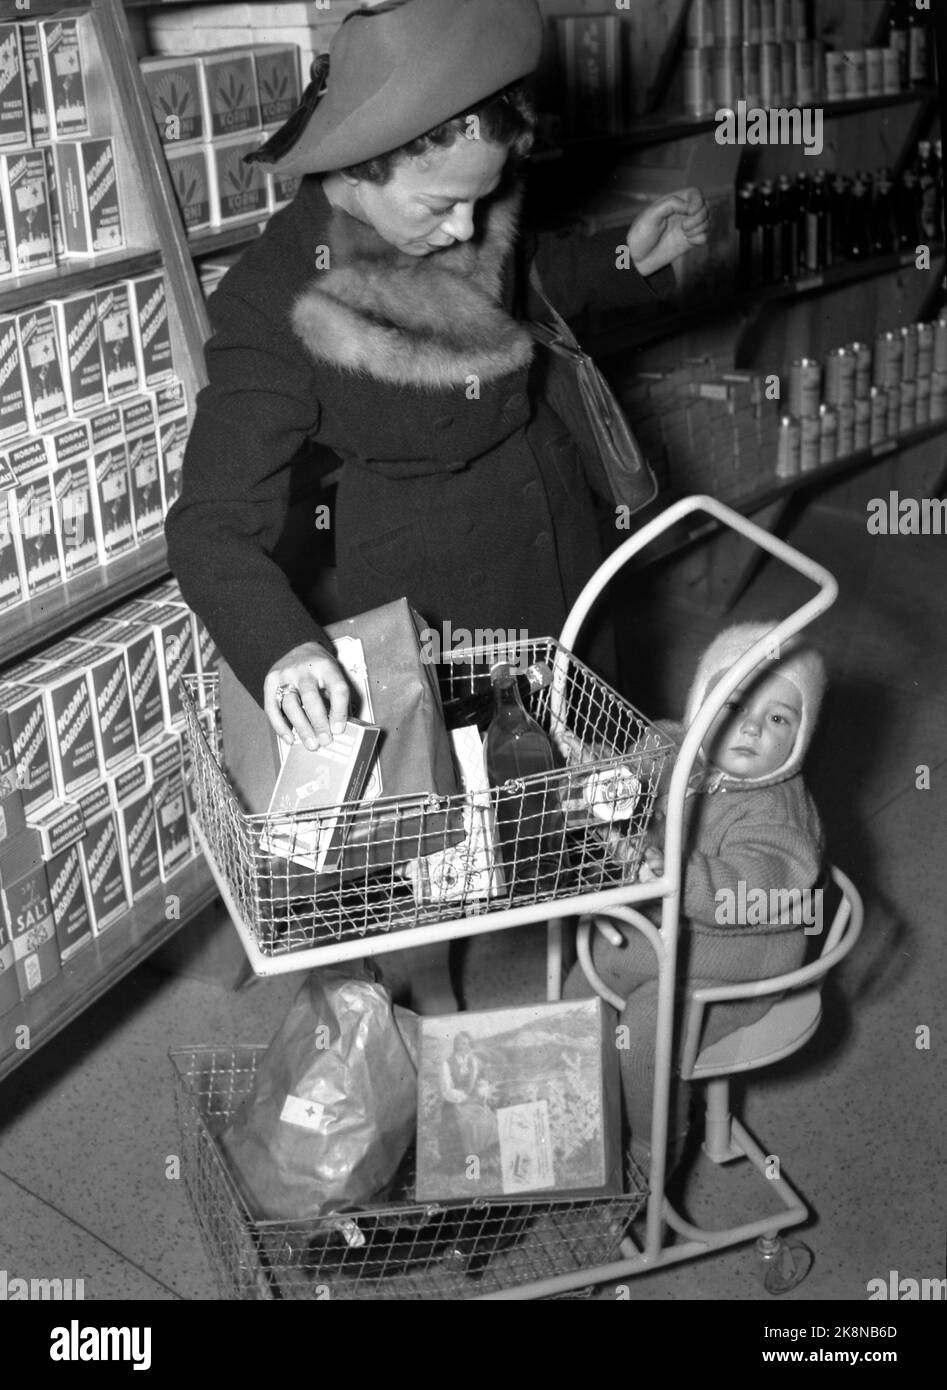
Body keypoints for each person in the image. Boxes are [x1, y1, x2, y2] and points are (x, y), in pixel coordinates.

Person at [165, 0, 708, 1011]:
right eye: (437, 207)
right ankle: (441, 1028)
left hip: (558, 541)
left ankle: (573, 977)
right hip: (435, 600)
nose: (463, 225)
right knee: (445, 847)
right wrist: (279, 645)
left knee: (569, 802)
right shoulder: (272, 305)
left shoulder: (464, 189)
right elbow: (208, 525)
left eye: (482, 197)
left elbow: (525, 273)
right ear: (356, 167)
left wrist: (630, 256)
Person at [565, 622, 827, 1170]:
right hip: (677, 928)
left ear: (801, 738)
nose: (750, 727)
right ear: (700, 701)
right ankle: (572, 1097)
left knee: (645, 1029)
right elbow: (629, 777)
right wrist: (595, 770)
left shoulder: (779, 813)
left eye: (777, 718)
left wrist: (680, 873)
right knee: (588, 966)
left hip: (747, 951)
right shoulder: (672, 745)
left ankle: (652, 1152)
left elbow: (760, 881)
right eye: (732, 703)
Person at [438, 1031, 499, 1173]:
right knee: (470, 1123)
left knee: (489, 1119)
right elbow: (446, 1089)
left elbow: (482, 1081)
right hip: (455, 1102)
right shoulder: (447, 1064)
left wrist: (480, 1092)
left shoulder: (473, 1061)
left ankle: (486, 1161)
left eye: (467, 1043)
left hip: (473, 1100)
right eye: (461, 1043)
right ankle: (471, 1164)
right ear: (455, 1045)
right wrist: (464, 1097)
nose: (464, 1046)